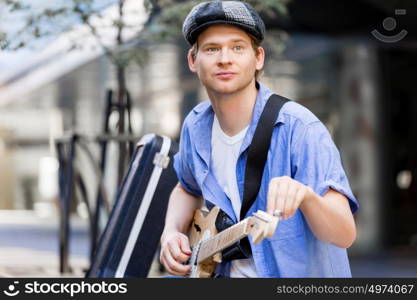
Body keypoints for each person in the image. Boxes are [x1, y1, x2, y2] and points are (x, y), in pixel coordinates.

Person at [159, 0, 358, 278]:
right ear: (193, 60)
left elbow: (344, 234)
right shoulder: (196, 125)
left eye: (238, 47)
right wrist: (170, 233)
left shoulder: (300, 129)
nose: (225, 58)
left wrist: (306, 197)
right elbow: (186, 188)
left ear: (259, 58)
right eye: (212, 48)